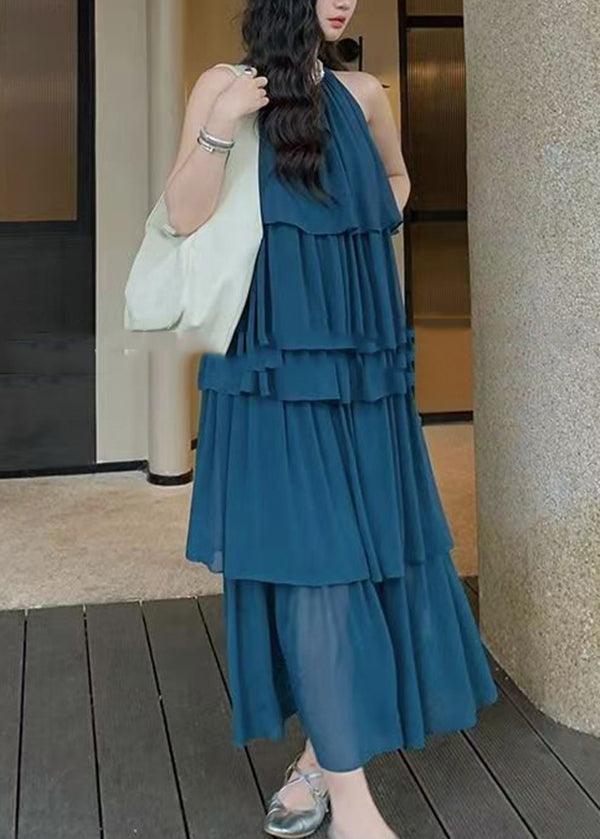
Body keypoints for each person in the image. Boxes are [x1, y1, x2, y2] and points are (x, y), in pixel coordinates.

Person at [166, 2, 499, 838]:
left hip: (361, 355)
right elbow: (182, 214)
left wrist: (356, 227)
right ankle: (354, 807)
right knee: (314, 565)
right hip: (272, 363)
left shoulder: (364, 95)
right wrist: (220, 126)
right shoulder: (222, 87)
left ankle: (321, 761)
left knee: (362, 555)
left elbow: (397, 182)